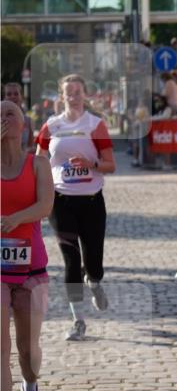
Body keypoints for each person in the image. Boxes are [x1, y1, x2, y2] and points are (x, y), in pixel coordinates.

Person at [36, 74, 116, 341]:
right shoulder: (51, 126)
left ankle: (94, 281)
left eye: (77, 91)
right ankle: (78, 320)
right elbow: (40, 162)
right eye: (68, 92)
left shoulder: (96, 125)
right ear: (62, 96)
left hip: (92, 201)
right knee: (71, 261)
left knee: (93, 262)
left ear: (85, 94)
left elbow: (110, 165)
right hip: (61, 202)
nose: (73, 96)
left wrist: (90, 165)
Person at [1, 99, 54, 391]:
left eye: (10, 114)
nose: (3, 119)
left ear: (24, 126)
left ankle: (30, 390)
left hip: (32, 266)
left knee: (26, 347)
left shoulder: (38, 165)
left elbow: (46, 206)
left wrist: (16, 219)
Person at [3, 82, 34, 150]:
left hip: (22, 159)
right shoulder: (1, 120)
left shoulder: (28, 121)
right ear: (4, 98)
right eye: (9, 94)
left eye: (16, 94)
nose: (13, 96)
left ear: (21, 97)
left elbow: (31, 147)